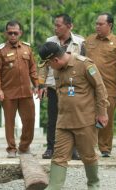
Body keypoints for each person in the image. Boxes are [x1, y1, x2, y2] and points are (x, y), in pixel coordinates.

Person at [39, 42, 109, 190]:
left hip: (85, 121)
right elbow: (61, 93)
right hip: (64, 122)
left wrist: (102, 113)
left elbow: (100, 88)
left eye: (49, 64)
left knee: (88, 155)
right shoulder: (58, 70)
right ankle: (54, 187)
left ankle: (94, 185)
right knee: (59, 157)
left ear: (55, 60)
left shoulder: (84, 64)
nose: (49, 67)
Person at [38, 13, 85, 160]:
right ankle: (51, 148)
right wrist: (41, 85)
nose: (55, 28)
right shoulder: (49, 41)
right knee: (53, 119)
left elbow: (84, 63)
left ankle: (74, 149)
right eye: (55, 25)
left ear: (69, 26)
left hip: (72, 86)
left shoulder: (80, 42)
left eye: (59, 25)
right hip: (54, 86)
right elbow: (43, 66)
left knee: (73, 117)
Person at [85, 13, 116, 158]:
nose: (97, 26)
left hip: (108, 87)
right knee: (86, 116)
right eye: (96, 24)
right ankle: (88, 147)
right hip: (88, 86)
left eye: (100, 24)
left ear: (109, 25)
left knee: (106, 117)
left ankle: (105, 148)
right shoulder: (89, 40)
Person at [0, 20, 39, 158]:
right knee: (9, 122)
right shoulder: (0, 50)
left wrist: (37, 84)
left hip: (26, 91)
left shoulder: (27, 48)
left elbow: (33, 68)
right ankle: (11, 148)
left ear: (20, 33)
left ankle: (24, 147)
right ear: (6, 33)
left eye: (15, 33)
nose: (13, 35)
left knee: (30, 119)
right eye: (10, 33)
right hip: (8, 93)